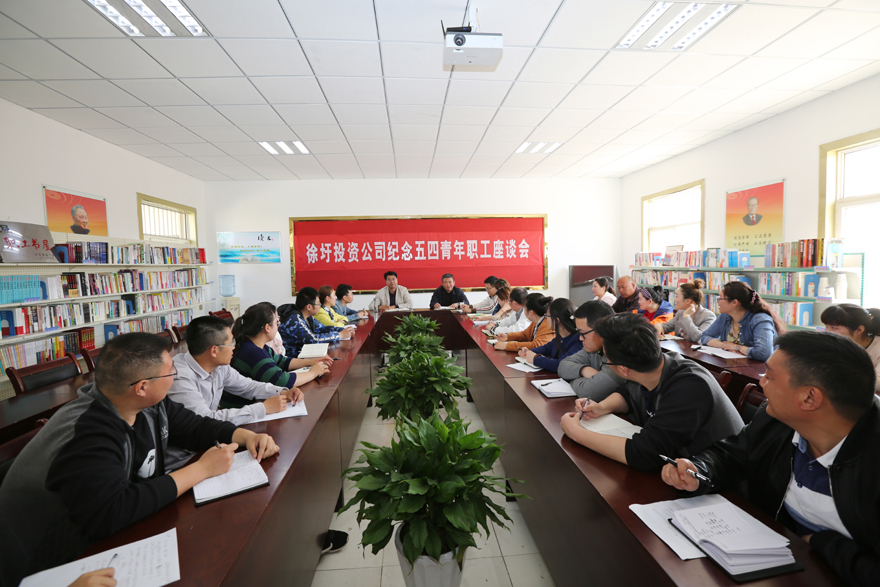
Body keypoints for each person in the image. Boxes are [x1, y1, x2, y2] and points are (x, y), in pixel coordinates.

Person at [0, 332, 280, 587]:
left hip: (110, 537)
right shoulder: (87, 432)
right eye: (170, 371)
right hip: (53, 563)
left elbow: (194, 426)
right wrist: (201, 469)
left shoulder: (148, 404)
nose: (175, 376)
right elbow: (111, 511)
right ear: (142, 387)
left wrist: (244, 435)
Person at [661, 331, 880, 585]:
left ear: (809, 398)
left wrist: (824, 543)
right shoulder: (776, 420)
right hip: (777, 561)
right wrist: (698, 471)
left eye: (770, 376)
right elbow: (729, 456)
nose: (762, 382)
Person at [559, 313, 744, 471]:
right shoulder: (651, 364)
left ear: (623, 369)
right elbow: (628, 393)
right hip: (682, 469)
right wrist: (601, 407)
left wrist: (577, 433)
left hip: (722, 482)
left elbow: (646, 453)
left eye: (606, 360)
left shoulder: (689, 387)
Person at [166, 315, 304, 467]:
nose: (234, 347)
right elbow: (206, 421)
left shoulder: (219, 366)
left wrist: (281, 392)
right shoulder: (179, 377)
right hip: (183, 459)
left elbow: (247, 386)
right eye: (230, 343)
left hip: (209, 445)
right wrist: (263, 408)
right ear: (214, 350)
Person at [231, 301, 330, 389]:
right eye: (277, 322)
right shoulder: (253, 352)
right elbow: (281, 381)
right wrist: (312, 373)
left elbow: (282, 361)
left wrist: (310, 362)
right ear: (267, 328)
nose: (279, 326)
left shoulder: (257, 345)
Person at [558, 301, 627, 400]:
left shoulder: (618, 355)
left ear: (601, 330)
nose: (580, 338)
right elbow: (563, 365)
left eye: (582, 333)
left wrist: (571, 380)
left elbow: (588, 392)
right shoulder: (593, 349)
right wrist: (584, 370)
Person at [701, 280, 786, 361]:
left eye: (720, 298)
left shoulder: (760, 320)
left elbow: (764, 353)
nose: (718, 302)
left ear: (734, 302)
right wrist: (724, 345)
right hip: (734, 365)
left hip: (759, 369)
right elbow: (705, 336)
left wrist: (736, 347)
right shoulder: (726, 316)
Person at [820, 303, 880, 394]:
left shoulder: (877, 347)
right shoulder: (836, 345)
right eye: (826, 326)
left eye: (833, 327)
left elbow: (878, 383)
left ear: (859, 330)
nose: (826, 331)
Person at [280, 287, 354, 357]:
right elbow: (312, 339)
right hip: (293, 358)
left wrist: (344, 330)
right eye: (318, 304)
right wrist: (339, 335)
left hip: (304, 355)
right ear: (309, 307)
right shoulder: (294, 319)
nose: (320, 306)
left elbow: (323, 328)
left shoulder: (308, 317)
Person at [518, 298, 580, 373]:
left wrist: (535, 358)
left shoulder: (578, 340)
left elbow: (561, 364)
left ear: (557, 321)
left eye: (547, 316)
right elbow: (546, 348)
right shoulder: (561, 336)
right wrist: (528, 352)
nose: (546, 319)